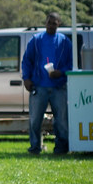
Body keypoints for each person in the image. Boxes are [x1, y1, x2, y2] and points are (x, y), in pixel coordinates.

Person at [21, 12, 72, 154]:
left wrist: (60, 72)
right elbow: (27, 61)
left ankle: (61, 148)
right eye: (49, 23)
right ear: (45, 23)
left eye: (54, 23)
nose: (51, 26)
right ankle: (35, 147)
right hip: (39, 86)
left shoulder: (64, 42)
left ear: (59, 24)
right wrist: (26, 78)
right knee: (35, 120)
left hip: (58, 87)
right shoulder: (36, 40)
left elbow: (71, 64)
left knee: (61, 120)